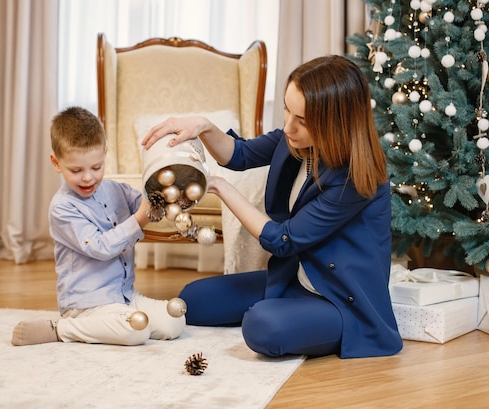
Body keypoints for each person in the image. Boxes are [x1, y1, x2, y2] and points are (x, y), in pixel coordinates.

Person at [142, 55, 403, 359]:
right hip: (295, 279)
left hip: (340, 298)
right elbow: (238, 155)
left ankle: (316, 323)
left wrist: (220, 187)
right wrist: (203, 126)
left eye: (302, 120)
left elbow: (284, 239)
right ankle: (288, 311)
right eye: (287, 110)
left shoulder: (354, 176)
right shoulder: (294, 141)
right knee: (192, 300)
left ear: (335, 123)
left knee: (262, 326)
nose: (288, 126)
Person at [11, 106, 185, 346]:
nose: (87, 178)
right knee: (134, 331)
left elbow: (147, 204)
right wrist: (142, 217)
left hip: (123, 296)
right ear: (56, 162)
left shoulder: (116, 190)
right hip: (86, 305)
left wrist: (166, 190)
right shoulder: (63, 208)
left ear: (105, 154)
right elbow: (101, 247)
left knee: (174, 320)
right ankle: (61, 329)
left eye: (96, 167)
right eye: (76, 170)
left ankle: (124, 316)